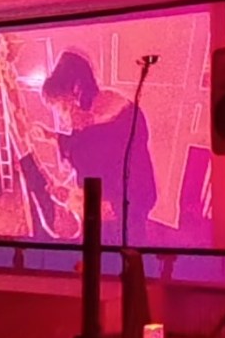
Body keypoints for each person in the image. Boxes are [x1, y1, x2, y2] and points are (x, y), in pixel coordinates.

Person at [33, 50, 158, 245]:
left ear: (76, 91)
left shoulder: (102, 128)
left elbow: (91, 161)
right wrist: (51, 135)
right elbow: (83, 146)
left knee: (114, 254)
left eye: (62, 108)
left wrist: (69, 198)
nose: (62, 117)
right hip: (120, 202)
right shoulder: (101, 108)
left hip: (122, 213)